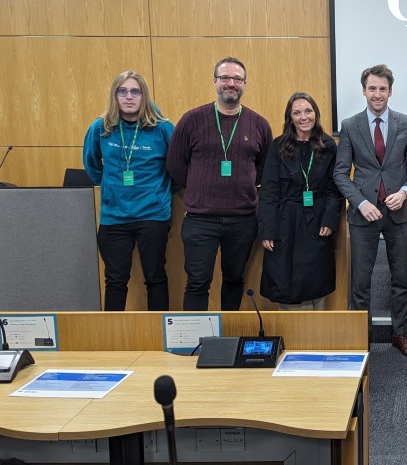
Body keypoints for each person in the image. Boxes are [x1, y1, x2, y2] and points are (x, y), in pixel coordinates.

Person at [334, 64, 407, 358]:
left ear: (390, 91)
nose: (377, 94)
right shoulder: (350, 126)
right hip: (363, 214)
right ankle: (360, 338)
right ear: (364, 91)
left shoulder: (405, 123)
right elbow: (340, 174)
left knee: (400, 278)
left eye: (382, 89)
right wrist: (360, 202)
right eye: (372, 88)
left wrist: (405, 192)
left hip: (398, 214)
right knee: (361, 281)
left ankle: (400, 334)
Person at [166, 57, 272, 311]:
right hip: (201, 219)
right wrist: (198, 187)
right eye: (225, 77)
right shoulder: (192, 120)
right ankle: (196, 342)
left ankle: (228, 341)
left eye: (237, 79)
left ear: (245, 84)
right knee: (197, 282)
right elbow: (175, 164)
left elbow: (264, 168)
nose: (231, 83)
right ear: (215, 81)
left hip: (243, 219)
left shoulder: (258, 124)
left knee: (234, 280)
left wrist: (241, 184)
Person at [83, 71, 175, 311]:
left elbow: (178, 168)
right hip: (114, 217)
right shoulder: (101, 127)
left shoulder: (163, 128)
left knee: (155, 277)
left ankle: (158, 337)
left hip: (152, 215)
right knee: (115, 281)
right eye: (122, 91)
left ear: (144, 95)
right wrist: (112, 188)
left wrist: (160, 192)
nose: (129, 97)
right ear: (114, 96)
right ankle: (113, 341)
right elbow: (92, 164)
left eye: (135, 91)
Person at [258, 93, 344, 310]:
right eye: (297, 112)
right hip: (284, 222)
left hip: (317, 220)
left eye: (308, 111)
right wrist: (267, 230)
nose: (303, 117)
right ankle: (291, 334)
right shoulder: (278, 146)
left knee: (315, 279)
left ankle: (316, 335)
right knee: (285, 280)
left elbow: (335, 188)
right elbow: (268, 191)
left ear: (315, 114)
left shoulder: (328, 145)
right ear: (290, 117)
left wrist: (330, 220)